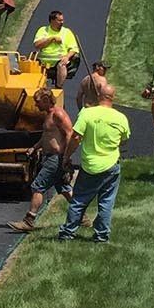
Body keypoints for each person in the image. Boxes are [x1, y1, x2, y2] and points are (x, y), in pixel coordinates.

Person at [57, 86, 130, 243]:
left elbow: (76, 137)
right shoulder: (120, 118)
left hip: (90, 165)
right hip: (111, 165)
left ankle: (68, 232)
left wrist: (66, 156)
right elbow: (124, 139)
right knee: (106, 201)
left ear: (99, 96)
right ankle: (101, 234)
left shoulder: (87, 114)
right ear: (113, 97)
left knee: (79, 200)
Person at [9, 88, 73, 232]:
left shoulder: (58, 114)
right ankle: (82, 217)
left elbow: (70, 134)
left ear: (46, 100)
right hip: (50, 157)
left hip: (56, 159)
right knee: (64, 189)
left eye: (37, 102)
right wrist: (35, 147)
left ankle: (29, 221)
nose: (36, 105)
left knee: (37, 186)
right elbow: (47, 136)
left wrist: (66, 156)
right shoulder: (48, 115)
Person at [30, 9, 80, 95]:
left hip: (59, 61)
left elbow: (74, 49)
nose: (62, 22)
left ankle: (58, 88)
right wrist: (51, 39)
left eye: (62, 20)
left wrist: (67, 57)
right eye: (59, 20)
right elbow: (37, 45)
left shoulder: (66, 32)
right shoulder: (43, 30)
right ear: (52, 21)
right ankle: (38, 90)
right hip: (43, 61)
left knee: (62, 65)